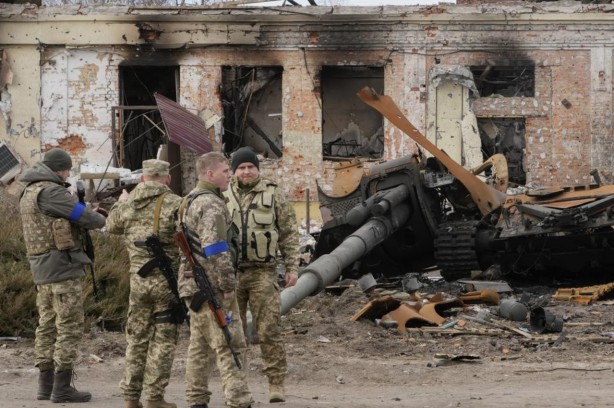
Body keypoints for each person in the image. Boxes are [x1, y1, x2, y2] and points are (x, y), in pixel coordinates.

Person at [19, 148, 106, 403]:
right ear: (59, 169)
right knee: (69, 326)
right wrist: (103, 220)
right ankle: (62, 387)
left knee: (46, 325)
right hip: (62, 268)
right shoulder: (51, 191)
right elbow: (81, 216)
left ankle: (45, 386)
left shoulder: (29, 191)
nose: (69, 173)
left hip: (41, 269)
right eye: (67, 169)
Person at [224, 146, 300, 403]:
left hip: (263, 273)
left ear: (258, 169)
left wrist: (292, 267)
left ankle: (276, 383)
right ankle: (236, 387)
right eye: (241, 167)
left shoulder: (273, 193)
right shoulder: (223, 193)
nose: (246, 172)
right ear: (234, 170)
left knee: (269, 330)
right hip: (230, 275)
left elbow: (289, 232)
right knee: (233, 334)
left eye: (250, 167)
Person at [178, 152, 253, 408]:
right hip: (211, 285)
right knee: (231, 343)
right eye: (225, 171)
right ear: (210, 174)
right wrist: (228, 284)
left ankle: (196, 399)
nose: (229, 175)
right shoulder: (211, 203)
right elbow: (215, 248)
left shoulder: (188, 200)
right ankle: (239, 400)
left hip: (191, 284)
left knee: (199, 346)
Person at [106, 159, 182, 408]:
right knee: (163, 339)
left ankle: (130, 397)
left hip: (138, 283)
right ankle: (154, 398)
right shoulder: (175, 203)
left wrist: (121, 203)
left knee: (137, 339)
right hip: (166, 284)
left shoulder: (127, 206)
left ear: (142, 178)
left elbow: (110, 226)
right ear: (167, 178)